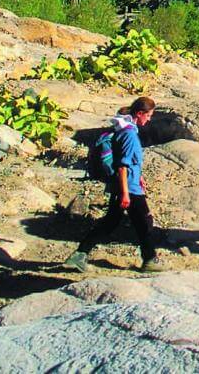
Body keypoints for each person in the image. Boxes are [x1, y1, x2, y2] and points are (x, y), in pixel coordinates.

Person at [62, 97, 165, 273]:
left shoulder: (124, 130)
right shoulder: (130, 135)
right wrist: (125, 193)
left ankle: (79, 255)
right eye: (148, 116)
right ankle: (150, 260)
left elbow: (125, 162)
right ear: (139, 114)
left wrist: (137, 177)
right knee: (144, 223)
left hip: (126, 185)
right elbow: (123, 166)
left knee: (111, 223)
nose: (149, 120)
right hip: (129, 189)